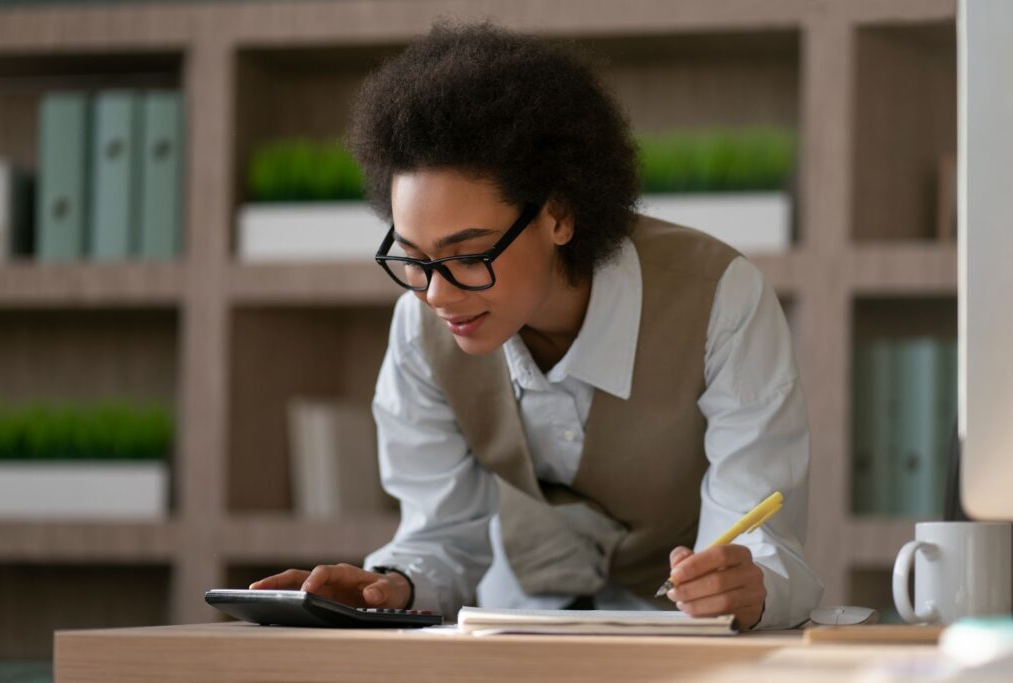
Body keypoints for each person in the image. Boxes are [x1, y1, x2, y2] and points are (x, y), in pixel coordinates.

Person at [250, 21, 823, 630]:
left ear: (559, 215)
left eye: (469, 254)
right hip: (512, 624)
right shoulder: (420, 333)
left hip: (678, 638)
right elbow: (441, 536)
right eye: (415, 259)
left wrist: (742, 588)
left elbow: (762, 540)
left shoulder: (719, 300)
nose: (437, 293)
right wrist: (392, 585)